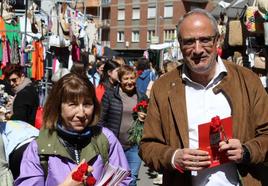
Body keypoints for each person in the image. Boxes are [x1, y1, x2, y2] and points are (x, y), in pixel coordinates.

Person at [139, 9, 268, 186]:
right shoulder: (164, 87)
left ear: (218, 40)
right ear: (180, 44)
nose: (197, 50)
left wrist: (246, 151)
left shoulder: (247, 80)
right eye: (189, 42)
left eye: (205, 40)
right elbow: (147, 146)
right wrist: (174, 157)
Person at [15, 73, 131, 185]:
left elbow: (123, 179)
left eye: (87, 104)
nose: (81, 113)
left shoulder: (106, 138)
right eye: (73, 104)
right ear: (58, 107)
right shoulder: (39, 148)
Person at [100, 65, 143, 186]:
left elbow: (150, 122)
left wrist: (144, 117)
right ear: (120, 80)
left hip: (134, 146)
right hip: (114, 145)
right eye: (126, 78)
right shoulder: (110, 95)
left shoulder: (142, 97)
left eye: (132, 78)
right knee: (115, 179)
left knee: (132, 178)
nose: (129, 82)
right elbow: (101, 119)